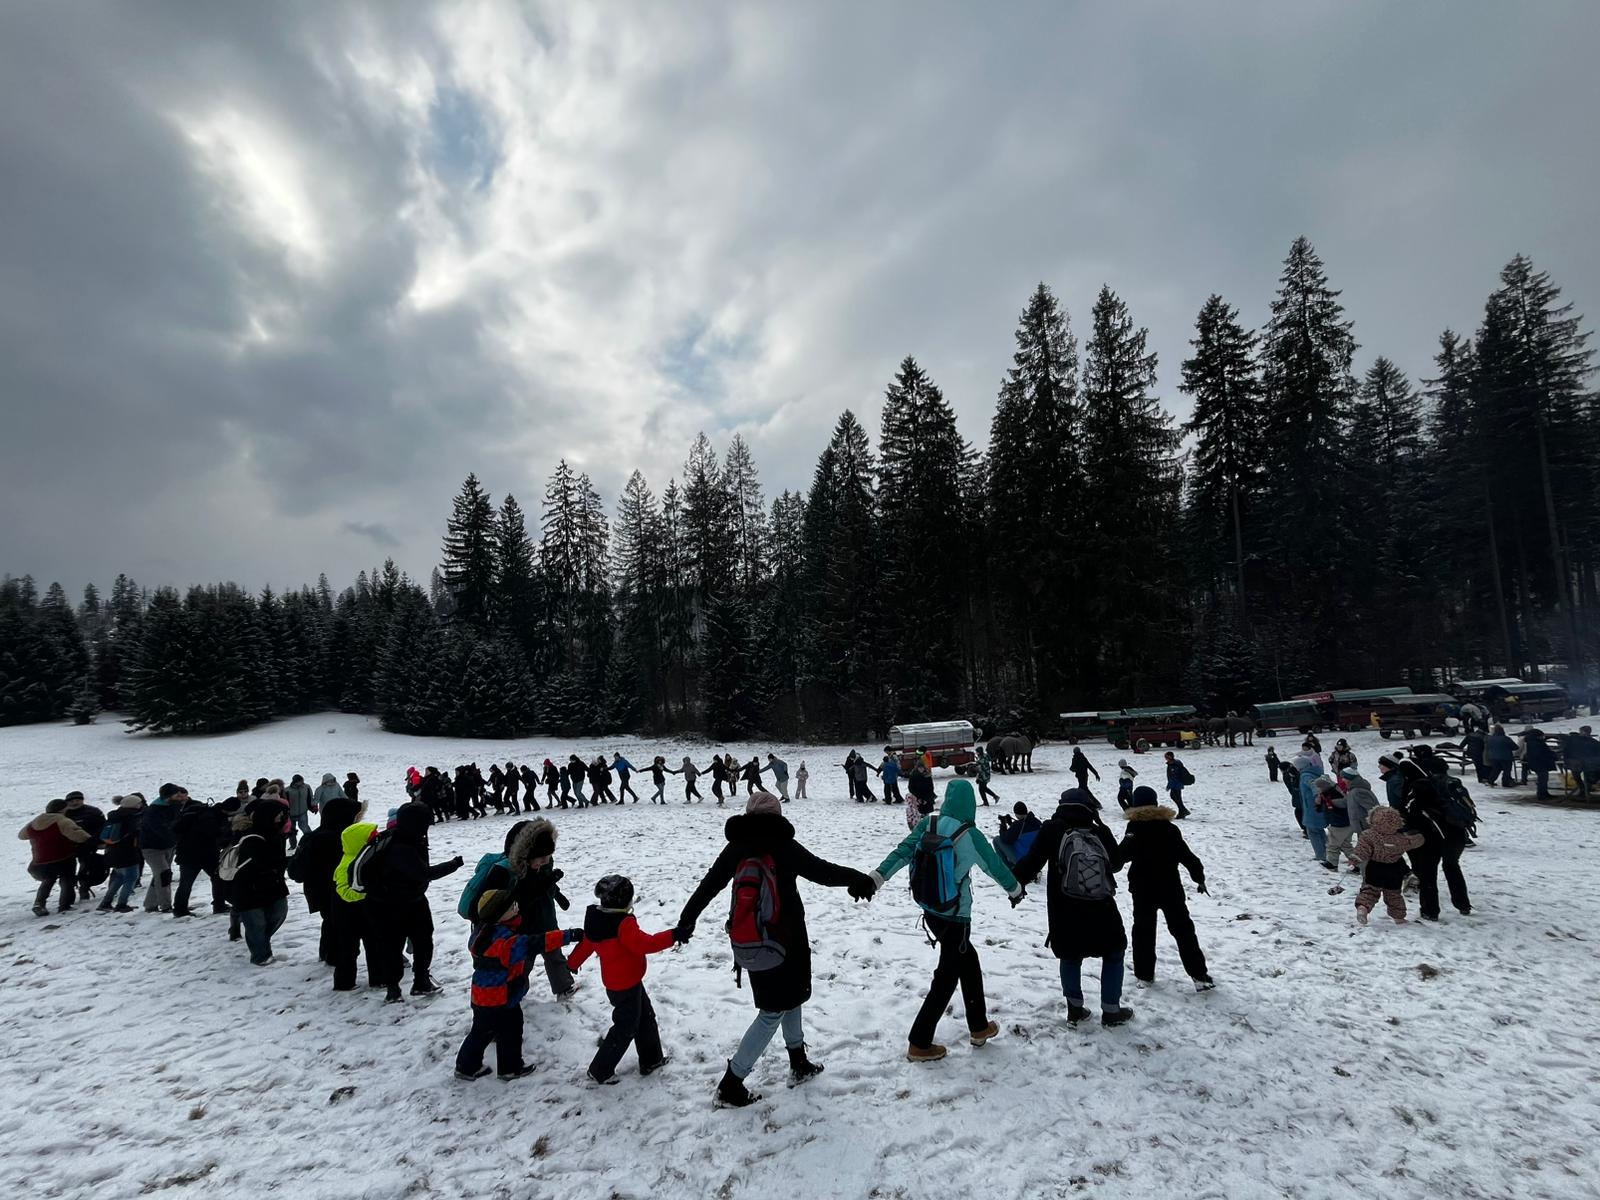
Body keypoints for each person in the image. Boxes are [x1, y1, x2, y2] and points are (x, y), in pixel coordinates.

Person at [675, 791, 875, 1106]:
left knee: (789, 999)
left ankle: (798, 1062)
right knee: (772, 1012)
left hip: (753, 941)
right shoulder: (783, 846)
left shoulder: (736, 848)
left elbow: (709, 885)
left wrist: (686, 921)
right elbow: (823, 872)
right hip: (788, 939)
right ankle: (731, 1084)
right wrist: (860, 880)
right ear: (778, 817)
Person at [871, 778, 1022, 1061]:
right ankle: (919, 1041)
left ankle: (979, 1026)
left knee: (968, 961)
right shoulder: (970, 834)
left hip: (931, 909)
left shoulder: (928, 823)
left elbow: (903, 851)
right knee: (947, 977)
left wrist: (877, 877)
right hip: (956, 915)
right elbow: (995, 867)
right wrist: (1015, 890)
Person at [1011, 789, 1134, 1027]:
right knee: (1113, 952)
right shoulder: (1099, 830)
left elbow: (1031, 862)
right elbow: (1117, 864)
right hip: (1101, 908)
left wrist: (1014, 886)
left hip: (1064, 908)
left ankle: (1075, 1009)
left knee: (1069, 956)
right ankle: (1111, 1010)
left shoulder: (1052, 829)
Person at [454, 890, 581, 1081]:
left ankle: (466, 1066)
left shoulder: (482, 931)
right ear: (500, 914)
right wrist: (569, 935)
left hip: (481, 994)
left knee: (481, 1031)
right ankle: (509, 1068)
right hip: (501, 996)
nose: (517, 906)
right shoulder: (507, 942)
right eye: (512, 906)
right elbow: (539, 942)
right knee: (511, 1030)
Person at [567, 875, 679, 1085]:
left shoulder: (597, 921)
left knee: (645, 1017)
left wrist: (572, 963)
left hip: (624, 982)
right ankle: (600, 1070)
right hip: (625, 985)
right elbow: (647, 943)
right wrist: (673, 935)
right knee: (625, 1028)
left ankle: (651, 1059)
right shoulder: (622, 925)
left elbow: (585, 946)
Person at [1118, 786, 1213, 991]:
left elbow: (1121, 856)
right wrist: (1199, 877)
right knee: (1184, 931)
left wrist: (1107, 865)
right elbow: (1187, 856)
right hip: (1170, 886)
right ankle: (1199, 975)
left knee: (1143, 931)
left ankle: (1144, 975)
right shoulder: (1169, 828)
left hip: (1143, 888)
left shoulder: (1135, 828)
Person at [369, 801, 464, 1002]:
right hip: (396, 905)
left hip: (407, 902)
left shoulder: (406, 839)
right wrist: (453, 865)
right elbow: (423, 873)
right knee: (399, 946)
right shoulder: (401, 847)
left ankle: (415, 982)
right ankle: (397, 988)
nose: (426, 829)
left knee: (414, 943)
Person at [288, 795, 361, 964]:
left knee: (330, 921)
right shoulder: (334, 838)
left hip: (320, 891)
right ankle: (334, 956)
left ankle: (328, 953)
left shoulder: (318, 835)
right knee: (336, 922)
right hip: (329, 890)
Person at [1395, 759, 1472, 921]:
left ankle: (1430, 911)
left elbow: (1411, 815)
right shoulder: (1447, 785)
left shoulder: (1417, 788)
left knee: (1428, 874)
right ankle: (1463, 904)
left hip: (1431, 838)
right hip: (1456, 835)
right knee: (1452, 867)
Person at [231, 797, 290, 966]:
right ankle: (261, 956)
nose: (281, 818)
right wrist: (290, 860)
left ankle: (260, 942)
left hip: (273, 885)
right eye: (278, 815)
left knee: (279, 913)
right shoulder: (249, 836)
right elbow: (264, 861)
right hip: (248, 888)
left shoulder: (275, 833)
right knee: (256, 924)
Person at [331, 809, 380, 991]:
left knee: (374, 945)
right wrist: (367, 893)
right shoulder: (347, 864)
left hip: (364, 911)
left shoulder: (364, 858)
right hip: (348, 913)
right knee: (348, 950)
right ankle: (344, 982)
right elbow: (344, 892)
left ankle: (379, 978)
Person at [1352, 807, 1425, 925]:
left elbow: (1362, 850)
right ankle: (1399, 918)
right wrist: (1421, 836)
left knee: (1369, 891)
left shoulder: (1368, 835)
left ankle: (1363, 908)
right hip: (1394, 870)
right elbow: (1415, 841)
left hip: (1375, 868)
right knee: (1394, 895)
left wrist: (1355, 859)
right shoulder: (1400, 838)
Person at [19, 799, 89, 916]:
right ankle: (64, 905)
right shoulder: (62, 821)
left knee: (48, 880)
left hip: (40, 860)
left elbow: (21, 835)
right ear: (62, 809)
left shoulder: (35, 822)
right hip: (63, 857)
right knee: (67, 880)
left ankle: (39, 904)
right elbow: (80, 836)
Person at [173, 794, 230, 917]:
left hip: (188, 854)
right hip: (202, 855)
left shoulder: (204, 814)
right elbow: (214, 836)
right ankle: (218, 905)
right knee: (216, 878)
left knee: (186, 883)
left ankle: (179, 909)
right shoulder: (210, 818)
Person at [139, 783, 186, 913]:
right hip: (152, 848)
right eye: (177, 794)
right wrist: (176, 837)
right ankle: (165, 906)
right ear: (168, 796)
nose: (180, 796)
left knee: (159, 876)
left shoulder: (173, 806)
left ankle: (150, 904)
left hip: (168, 846)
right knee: (164, 875)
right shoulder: (153, 811)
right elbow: (161, 830)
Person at [62, 792, 106, 901]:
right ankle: (68, 893)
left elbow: (102, 827)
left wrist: (94, 841)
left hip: (87, 845)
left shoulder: (93, 812)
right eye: (71, 801)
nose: (74, 803)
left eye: (77, 800)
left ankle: (84, 888)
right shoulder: (63, 814)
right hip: (67, 847)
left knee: (86, 867)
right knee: (67, 871)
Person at [1314, 777, 1360, 872]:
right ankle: (1358, 865)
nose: (1316, 789)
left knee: (1333, 844)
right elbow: (1322, 809)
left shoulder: (1332, 795)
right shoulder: (1328, 794)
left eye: (1318, 787)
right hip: (1346, 823)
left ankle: (1332, 863)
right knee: (1345, 845)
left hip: (1340, 823)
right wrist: (1318, 804)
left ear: (1323, 787)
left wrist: (1322, 803)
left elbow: (1333, 808)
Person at [1292, 743, 1326, 862]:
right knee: (1319, 831)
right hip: (1314, 807)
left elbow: (1313, 785)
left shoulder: (1305, 775)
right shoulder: (1312, 771)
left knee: (1313, 832)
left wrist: (1317, 796)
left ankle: (1320, 855)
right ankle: (1327, 851)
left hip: (1312, 808)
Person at [994, 802, 1041, 868]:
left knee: (996, 839)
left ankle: (1008, 868)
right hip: (1036, 859)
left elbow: (1006, 839)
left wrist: (1003, 825)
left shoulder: (1018, 825)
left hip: (1022, 860)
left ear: (1017, 814)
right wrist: (1011, 823)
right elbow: (1020, 832)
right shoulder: (1037, 822)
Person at [1341, 768, 1382, 840]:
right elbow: (1346, 802)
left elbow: (1373, 809)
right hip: (1362, 828)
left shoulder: (1358, 791)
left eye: (1344, 778)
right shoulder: (1353, 791)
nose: (1342, 780)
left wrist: (1373, 825)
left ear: (1349, 778)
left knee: (1369, 849)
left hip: (1366, 828)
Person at [1520, 730, 1557, 800]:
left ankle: (1544, 793)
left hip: (1537, 763)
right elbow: (1540, 753)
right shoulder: (1536, 743)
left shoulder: (1532, 742)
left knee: (1543, 778)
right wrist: (1551, 755)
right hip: (1539, 763)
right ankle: (1541, 794)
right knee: (1542, 779)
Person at [284, 774, 315, 846]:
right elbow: (286, 802)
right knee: (291, 830)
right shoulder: (287, 790)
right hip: (291, 814)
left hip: (302, 812)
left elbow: (310, 797)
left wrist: (312, 806)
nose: (303, 782)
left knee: (305, 828)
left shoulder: (306, 787)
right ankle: (293, 845)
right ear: (296, 782)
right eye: (301, 781)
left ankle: (310, 841)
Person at [905, 763, 936, 829]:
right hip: (917, 797)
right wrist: (917, 798)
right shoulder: (913, 775)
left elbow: (931, 788)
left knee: (926, 814)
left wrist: (927, 799)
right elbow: (911, 787)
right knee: (918, 814)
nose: (921, 769)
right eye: (919, 768)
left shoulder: (927, 776)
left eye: (922, 768)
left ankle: (927, 826)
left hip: (927, 797)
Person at [1163, 751, 1192, 819]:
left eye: (1166, 757)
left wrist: (1169, 786)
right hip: (1178, 783)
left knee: (1174, 796)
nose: (1165, 758)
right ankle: (1182, 812)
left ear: (1170, 757)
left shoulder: (1173, 765)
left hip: (1176, 784)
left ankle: (1183, 810)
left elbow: (1173, 777)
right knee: (1178, 798)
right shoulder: (1175, 763)